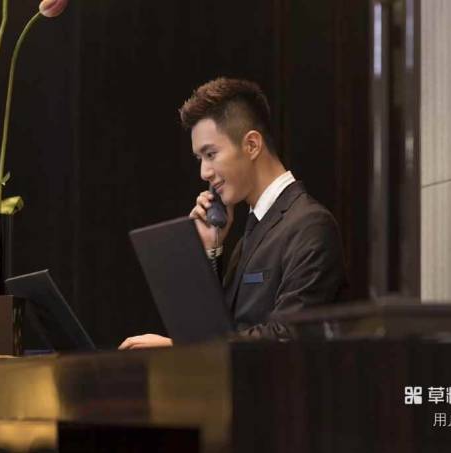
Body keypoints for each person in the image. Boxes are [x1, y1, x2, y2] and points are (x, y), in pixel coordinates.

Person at [119, 78, 345, 349]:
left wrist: (180, 349)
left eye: (211, 154)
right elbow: (217, 330)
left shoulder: (310, 225)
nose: (204, 172)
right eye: (200, 158)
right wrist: (210, 251)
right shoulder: (253, 230)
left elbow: (287, 337)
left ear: (252, 145)